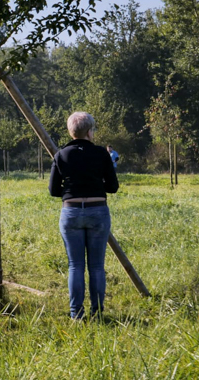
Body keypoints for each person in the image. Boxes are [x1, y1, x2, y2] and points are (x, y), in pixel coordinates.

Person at [50, 112, 119, 320]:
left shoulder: (61, 154)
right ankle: (97, 313)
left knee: (75, 265)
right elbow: (113, 187)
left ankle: (76, 314)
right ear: (89, 131)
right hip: (97, 210)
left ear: (71, 132)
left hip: (71, 211)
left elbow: (53, 190)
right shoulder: (101, 153)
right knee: (97, 266)